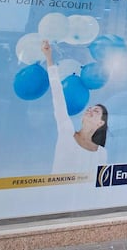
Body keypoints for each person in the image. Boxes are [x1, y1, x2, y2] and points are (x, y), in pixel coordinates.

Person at [42, 40, 108, 175]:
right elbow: (58, 96)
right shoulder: (67, 132)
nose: (90, 110)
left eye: (95, 111)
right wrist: (49, 58)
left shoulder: (102, 153)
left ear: (100, 122)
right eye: (90, 109)